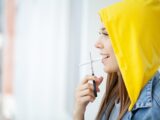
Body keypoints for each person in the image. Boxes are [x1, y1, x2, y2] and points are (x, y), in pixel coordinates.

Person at [73, 0, 160, 120]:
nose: (97, 44)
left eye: (106, 34)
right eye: (100, 33)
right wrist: (79, 111)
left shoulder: (156, 106)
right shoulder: (116, 93)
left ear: (132, 41)